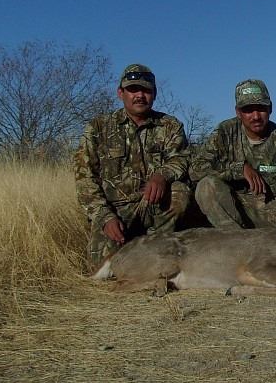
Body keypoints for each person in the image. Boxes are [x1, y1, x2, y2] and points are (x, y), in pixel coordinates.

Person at [74, 64, 190, 267]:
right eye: (133, 89)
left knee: (179, 192)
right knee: (103, 268)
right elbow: (84, 179)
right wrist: (104, 217)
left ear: (154, 94)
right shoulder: (98, 128)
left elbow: (181, 158)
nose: (140, 96)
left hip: (154, 206)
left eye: (146, 90)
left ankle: (158, 248)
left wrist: (162, 175)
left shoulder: (170, 125)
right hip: (116, 211)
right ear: (121, 93)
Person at [190, 79, 276, 229]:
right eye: (248, 110)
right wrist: (239, 169)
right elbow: (196, 169)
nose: (256, 116)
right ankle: (236, 238)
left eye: (261, 108)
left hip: (272, 211)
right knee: (206, 186)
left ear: (270, 108)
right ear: (238, 112)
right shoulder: (225, 132)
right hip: (233, 208)